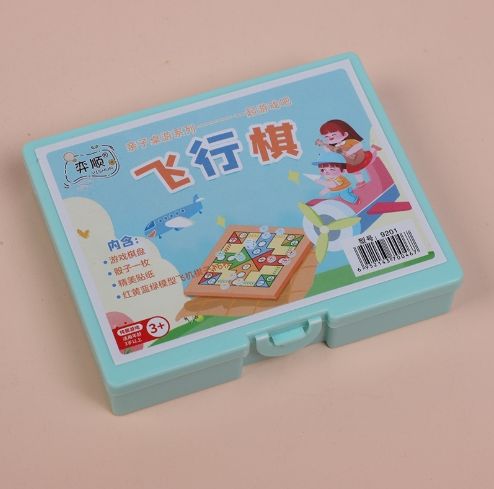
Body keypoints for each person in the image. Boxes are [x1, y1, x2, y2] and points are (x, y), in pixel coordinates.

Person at [315, 119, 380, 186]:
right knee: (355, 171)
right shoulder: (335, 147)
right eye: (326, 136)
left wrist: (349, 152)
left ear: (345, 134)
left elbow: (359, 145)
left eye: (333, 134)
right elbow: (330, 152)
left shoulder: (350, 141)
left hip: (359, 157)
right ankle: (361, 181)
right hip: (350, 162)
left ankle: (374, 148)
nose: (330, 137)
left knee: (370, 158)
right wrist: (324, 145)